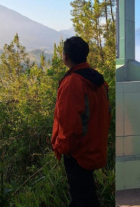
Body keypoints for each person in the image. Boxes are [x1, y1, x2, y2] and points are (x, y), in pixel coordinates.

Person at [52, 36, 110, 207]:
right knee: (83, 196)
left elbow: (69, 124)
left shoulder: (73, 83)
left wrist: (64, 148)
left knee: (83, 199)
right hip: (93, 147)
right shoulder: (99, 81)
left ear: (65, 56)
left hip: (78, 153)